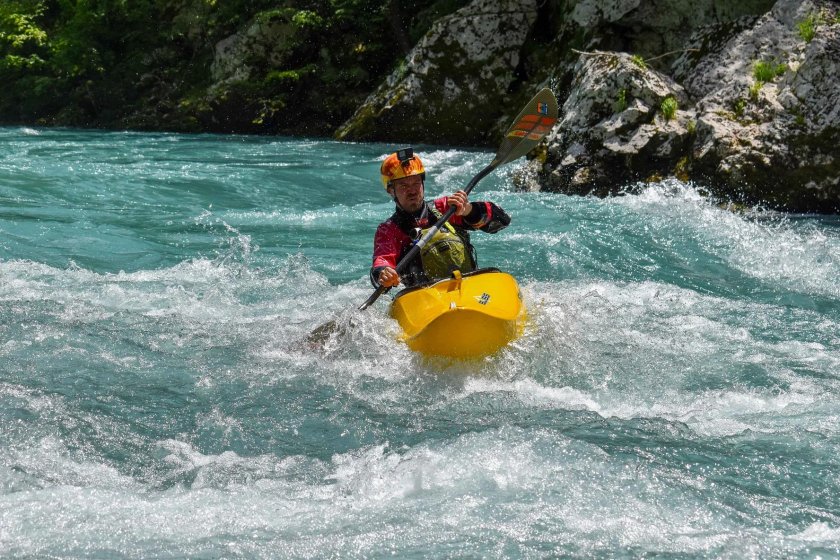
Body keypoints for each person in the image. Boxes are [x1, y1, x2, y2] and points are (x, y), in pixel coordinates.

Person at [371, 147, 511, 289]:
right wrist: (384, 275)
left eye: (416, 183)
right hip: (424, 298)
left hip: (468, 289)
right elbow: (380, 266)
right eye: (403, 185)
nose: (412, 190)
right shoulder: (389, 230)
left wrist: (469, 211)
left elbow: (502, 221)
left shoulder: (447, 208)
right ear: (390, 190)